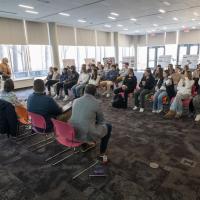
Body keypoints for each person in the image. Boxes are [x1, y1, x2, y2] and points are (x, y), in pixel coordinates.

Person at [69, 84, 112, 162]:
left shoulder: (75, 100)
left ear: (84, 91)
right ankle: (102, 155)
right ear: (95, 93)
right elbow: (101, 121)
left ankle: (84, 144)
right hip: (85, 133)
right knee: (108, 126)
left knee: (85, 121)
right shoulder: (97, 103)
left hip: (72, 131)